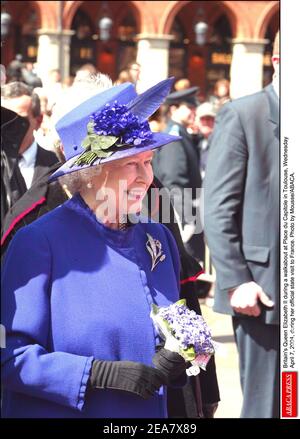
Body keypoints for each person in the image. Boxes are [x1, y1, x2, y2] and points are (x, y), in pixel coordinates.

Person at [1, 74, 220, 418]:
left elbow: (176, 323)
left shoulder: (156, 238)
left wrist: (178, 357)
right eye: (130, 164)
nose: (146, 177)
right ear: (91, 172)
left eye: (147, 161)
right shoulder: (37, 243)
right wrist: (94, 375)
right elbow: (10, 357)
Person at [204, 32, 280, 418]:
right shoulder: (244, 114)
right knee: (271, 404)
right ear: (278, 60)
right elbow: (217, 206)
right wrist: (236, 280)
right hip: (263, 295)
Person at [153, 87, 203, 262]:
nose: (193, 112)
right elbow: (174, 181)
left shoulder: (181, 133)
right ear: (174, 109)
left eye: (194, 107)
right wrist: (187, 220)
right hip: (181, 217)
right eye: (189, 107)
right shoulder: (174, 137)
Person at [1, 82, 59, 194]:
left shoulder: (55, 166)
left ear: (38, 121)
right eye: (4, 120)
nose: (8, 127)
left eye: (18, 120)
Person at [195, 102, 216, 180]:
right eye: (202, 119)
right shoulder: (197, 142)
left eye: (209, 118)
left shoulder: (222, 142)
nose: (206, 122)